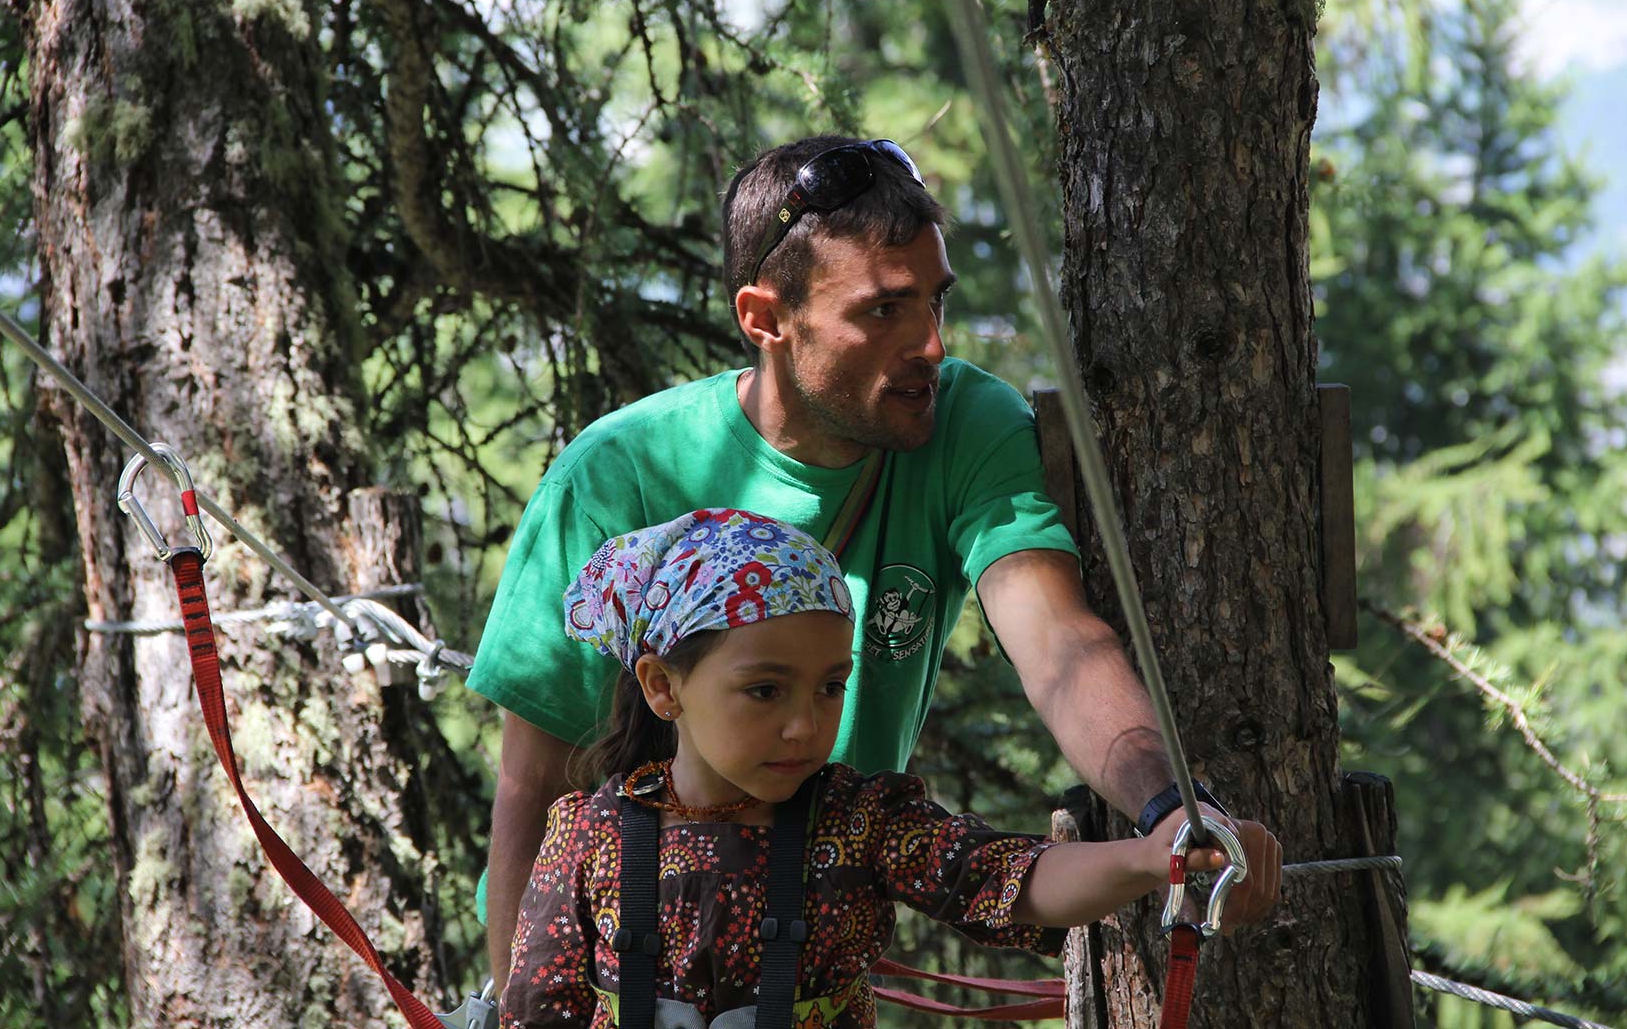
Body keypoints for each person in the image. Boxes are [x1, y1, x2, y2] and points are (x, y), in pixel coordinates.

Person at [470, 135, 1282, 983]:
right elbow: (535, 784)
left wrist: (1174, 811)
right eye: (883, 310)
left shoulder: (964, 420)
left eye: (936, 303)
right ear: (766, 318)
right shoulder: (616, 475)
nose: (929, 344)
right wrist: (518, 997)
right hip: (609, 962)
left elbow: (1056, 642)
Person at [501, 509, 1268, 1029]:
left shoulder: (861, 822)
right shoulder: (590, 834)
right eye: (764, 690)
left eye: (832, 686)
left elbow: (1007, 878)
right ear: (663, 686)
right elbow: (538, 1006)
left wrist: (1147, 857)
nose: (806, 724)